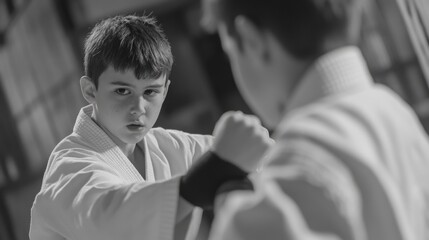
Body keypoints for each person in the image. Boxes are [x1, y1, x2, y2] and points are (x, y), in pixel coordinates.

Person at [29, 14, 272, 240]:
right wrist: (201, 181)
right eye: (122, 91)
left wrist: (262, 150)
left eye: (150, 92)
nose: (139, 108)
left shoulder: (166, 146)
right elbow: (110, 220)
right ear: (90, 91)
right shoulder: (70, 167)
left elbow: (251, 159)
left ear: (164, 91)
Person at [201, 0, 429, 239]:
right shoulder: (392, 109)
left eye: (229, 53)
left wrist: (227, 193)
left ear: (251, 39)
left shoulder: (304, 158)